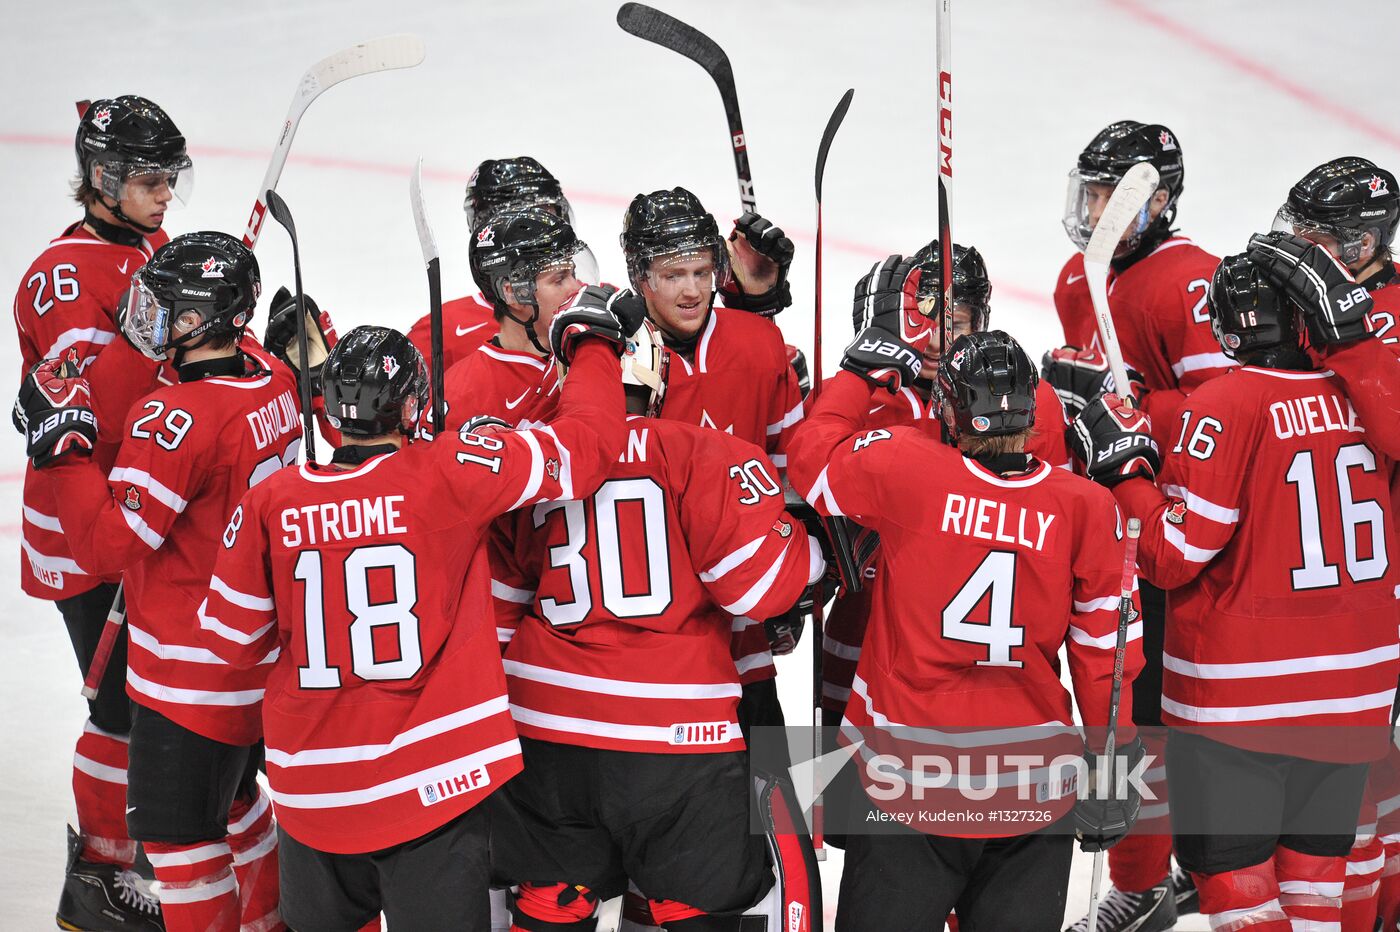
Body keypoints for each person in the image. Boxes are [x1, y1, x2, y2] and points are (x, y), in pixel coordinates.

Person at [194, 297, 629, 931]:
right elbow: (584, 450)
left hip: (311, 789)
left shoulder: (271, 502)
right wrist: (591, 346)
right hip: (428, 783)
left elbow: (232, 641)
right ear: (410, 407)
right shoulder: (451, 470)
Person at [1070, 239, 1400, 931]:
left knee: (1238, 891)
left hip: (1244, 698)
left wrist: (1124, 475)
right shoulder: (1369, 397)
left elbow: (1171, 553)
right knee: (1316, 891)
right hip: (1357, 690)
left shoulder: (1224, 401)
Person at [787, 320, 1143, 932]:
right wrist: (1116, 761)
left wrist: (857, 377)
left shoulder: (908, 468)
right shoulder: (1086, 505)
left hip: (913, 780)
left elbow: (809, 457)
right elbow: (1104, 653)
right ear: (1034, 411)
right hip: (1034, 786)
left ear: (950, 412)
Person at [488, 309, 823, 930]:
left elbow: (499, 614)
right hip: (675, 737)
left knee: (554, 894)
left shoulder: (542, 458)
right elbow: (757, 588)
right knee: (692, 893)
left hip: (546, 730)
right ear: (660, 375)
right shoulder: (701, 450)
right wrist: (818, 555)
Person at [21, 232, 297, 932]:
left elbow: (107, 545)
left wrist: (65, 450)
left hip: (187, 672)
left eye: (165, 308)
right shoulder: (272, 376)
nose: (147, 317)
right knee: (239, 804)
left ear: (207, 320)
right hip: (259, 652)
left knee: (181, 845)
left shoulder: (176, 419)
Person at [11, 93, 190, 929]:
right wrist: (150, 341)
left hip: (143, 509)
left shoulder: (147, 242)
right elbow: (83, 416)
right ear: (102, 177)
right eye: (150, 180)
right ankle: (98, 876)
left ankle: (148, 847)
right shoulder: (59, 275)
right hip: (88, 525)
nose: (164, 197)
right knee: (118, 703)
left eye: (170, 180)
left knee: (156, 695)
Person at [1050, 120, 1229, 932]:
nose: (1090, 213)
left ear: (1154, 203)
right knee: (1118, 706)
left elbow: (1230, 414)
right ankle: (1159, 869)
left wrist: (1129, 413)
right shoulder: (1076, 278)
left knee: (1147, 709)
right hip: (1103, 528)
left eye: (1105, 196)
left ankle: (1151, 877)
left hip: (1171, 528)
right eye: (1085, 194)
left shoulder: (1192, 282)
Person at [819, 245, 1072, 728]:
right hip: (865, 644)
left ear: (981, 321)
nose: (936, 342)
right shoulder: (866, 391)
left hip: (997, 662)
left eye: (953, 325)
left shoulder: (1033, 402)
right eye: (921, 323)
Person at [619, 186, 803, 732]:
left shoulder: (760, 343)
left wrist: (791, 583)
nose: (692, 290)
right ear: (641, 276)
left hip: (743, 616)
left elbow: (788, 470)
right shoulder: (613, 355)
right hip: (653, 623)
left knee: (771, 802)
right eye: (673, 275)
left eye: (702, 271)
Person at [406, 156, 574, 369]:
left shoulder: (598, 303)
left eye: (550, 215)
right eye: (529, 222)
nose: (548, 231)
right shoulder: (442, 330)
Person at [438, 207, 599, 429]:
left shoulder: (597, 347)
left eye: (573, 273)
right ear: (512, 292)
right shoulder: (458, 395)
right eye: (559, 279)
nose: (577, 287)